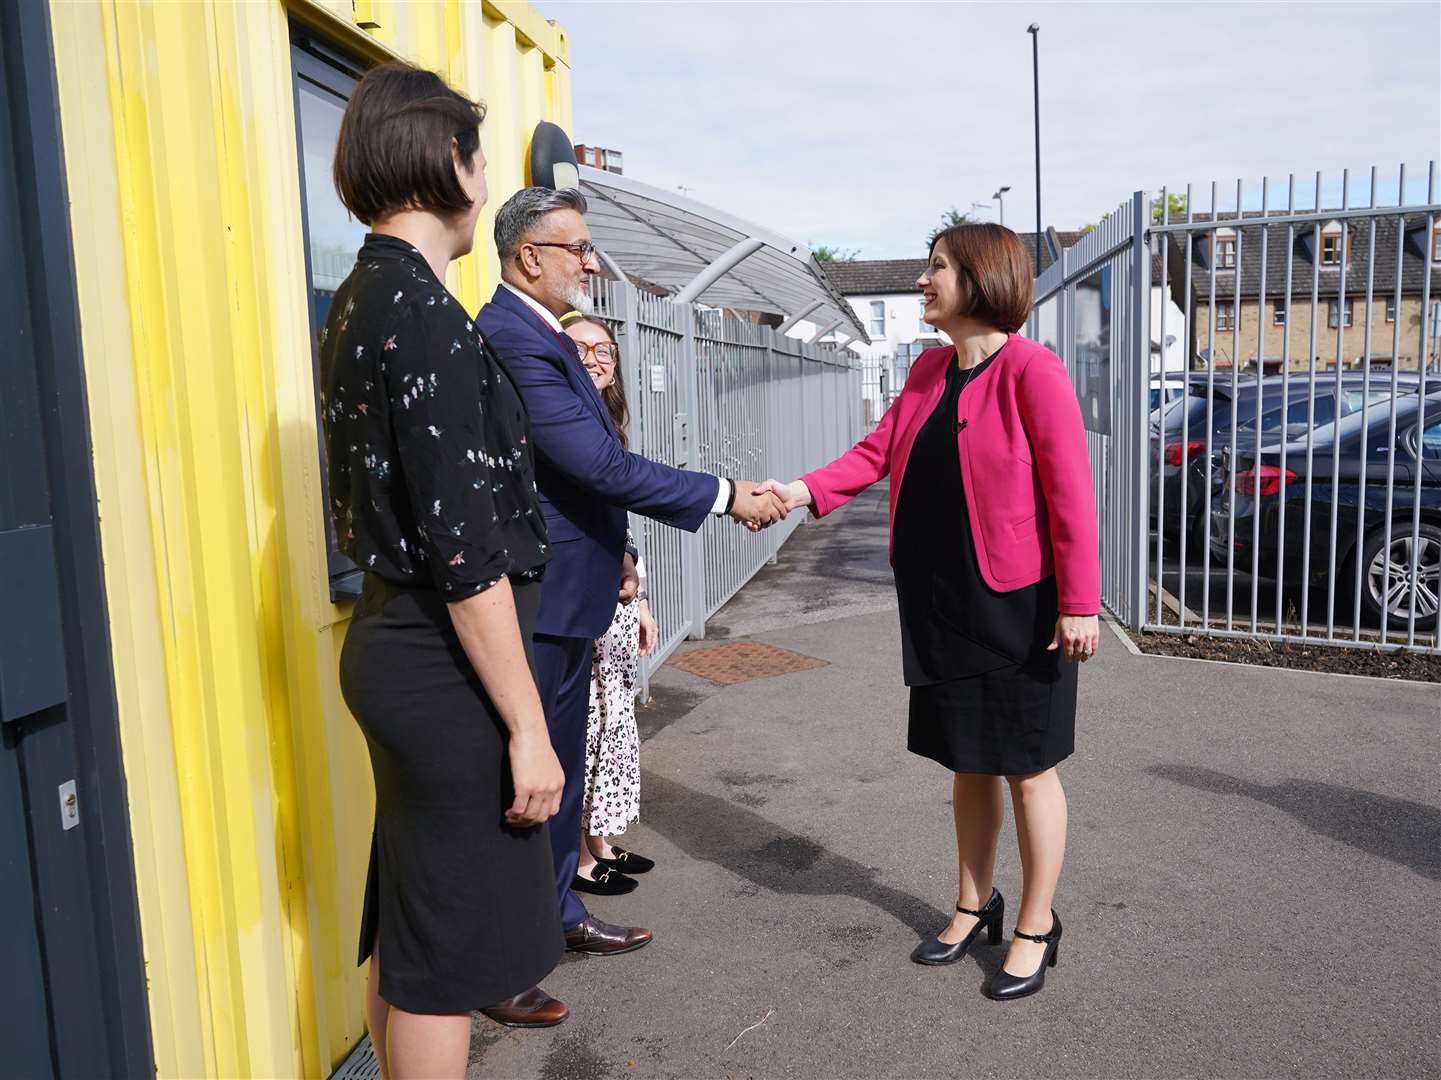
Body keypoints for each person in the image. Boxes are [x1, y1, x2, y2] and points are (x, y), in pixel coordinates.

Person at [759, 223, 1100, 1002]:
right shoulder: (925, 373)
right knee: (966, 760)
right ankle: (972, 905)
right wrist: (796, 492)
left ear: (980, 278)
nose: (922, 281)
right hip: (939, 603)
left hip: (1017, 604)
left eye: (936, 268)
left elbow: (1070, 496)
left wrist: (1079, 603)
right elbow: (874, 454)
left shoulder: (1032, 372)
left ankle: (1037, 925)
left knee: (1025, 766)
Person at [476, 186, 784, 1020]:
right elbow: (598, 468)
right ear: (528, 256)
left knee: (565, 773)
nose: (588, 262)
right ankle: (507, 962)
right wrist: (726, 495)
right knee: (529, 780)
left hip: (575, 593)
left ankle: (559, 917)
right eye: (574, 247)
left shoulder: (541, 334)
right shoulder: (511, 337)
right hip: (536, 602)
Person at [322, 63, 566, 1079]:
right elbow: (467, 560)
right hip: (441, 661)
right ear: (452, 164)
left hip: (397, 647)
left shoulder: (361, 295)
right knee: (444, 960)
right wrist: (527, 728)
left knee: (416, 926)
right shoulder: (417, 309)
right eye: (477, 151)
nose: (482, 171)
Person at [560, 314, 659, 896]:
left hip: (613, 598)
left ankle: (600, 839)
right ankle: (578, 858)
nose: (597, 357)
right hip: (579, 600)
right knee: (587, 728)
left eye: (607, 349)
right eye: (583, 347)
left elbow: (613, 522)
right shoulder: (561, 424)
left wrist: (638, 595)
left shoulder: (602, 424)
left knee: (613, 721)